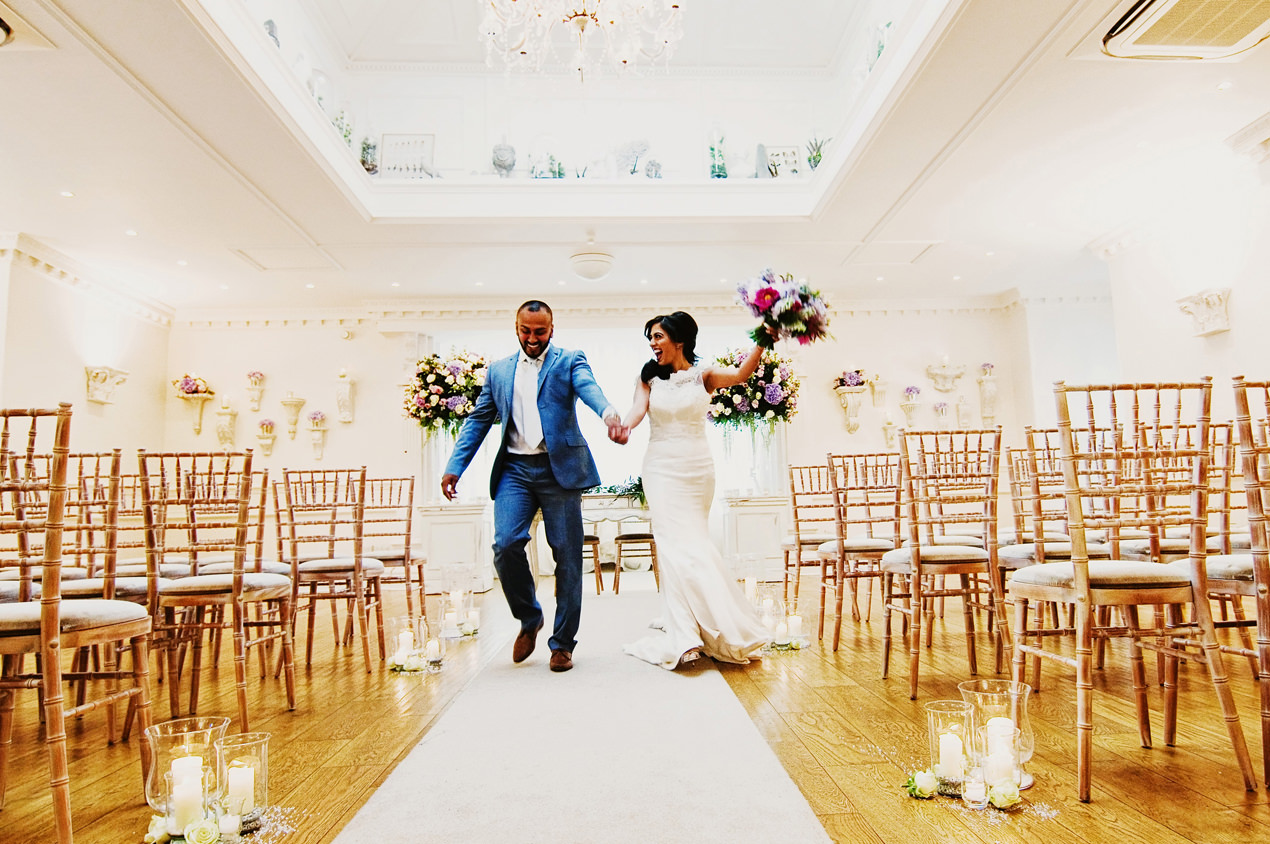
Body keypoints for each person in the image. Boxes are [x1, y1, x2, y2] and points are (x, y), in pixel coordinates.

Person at [441, 301, 626, 673]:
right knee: (506, 544)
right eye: (526, 330)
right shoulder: (498, 371)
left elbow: (589, 389)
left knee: (569, 558)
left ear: (552, 329)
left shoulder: (570, 360)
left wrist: (609, 414)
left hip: (559, 470)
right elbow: (478, 421)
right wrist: (454, 467)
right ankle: (529, 617)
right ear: (516, 327)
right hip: (515, 470)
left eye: (540, 331)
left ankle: (562, 644)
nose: (532, 338)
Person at [617, 311, 770, 670]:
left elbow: (742, 374)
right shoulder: (648, 377)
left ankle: (711, 623)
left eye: (658, 337)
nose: (653, 344)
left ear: (678, 340)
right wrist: (623, 427)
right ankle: (684, 635)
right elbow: (637, 410)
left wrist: (764, 337)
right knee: (671, 546)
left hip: (697, 469)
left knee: (695, 545)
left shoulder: (705, 375)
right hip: (660, 468)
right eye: (650, 338)